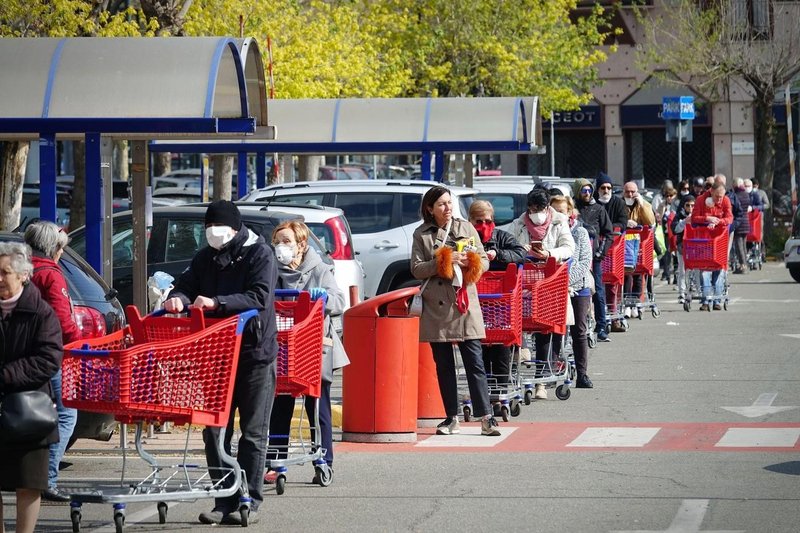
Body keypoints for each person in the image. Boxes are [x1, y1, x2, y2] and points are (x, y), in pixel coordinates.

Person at [164, 200, 278, 525]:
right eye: (208, 228)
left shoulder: (260, 254)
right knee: (214, 432)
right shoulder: (205, 258)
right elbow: (186, 287)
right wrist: (178, 299)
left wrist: (218, 302)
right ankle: (223, 500)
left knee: (253, 433)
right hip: (216, 354)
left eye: (218, 228)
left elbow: (259, 296)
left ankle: (249, 501)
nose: (212, 234)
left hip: (254, 353)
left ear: (235, 227)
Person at [410, 185, 501, 437]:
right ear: (430, 209)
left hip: (464, 303)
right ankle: (451, 416)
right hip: (437, 305)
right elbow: (416, 269)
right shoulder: (421, 234)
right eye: (441, 204)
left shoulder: (465, 227)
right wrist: (445, 261)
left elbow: (482, 259)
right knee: (444, 365)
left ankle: (486, 417)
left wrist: (470, 262)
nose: (447, 208)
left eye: (449, 203)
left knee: (475, 362)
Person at [265, 220, 349, 484]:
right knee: (280, 406)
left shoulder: (320, 270)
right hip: (282, 348)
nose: (281, 247)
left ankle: (324, 461)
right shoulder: (270, 271)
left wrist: (322, 297)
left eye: (287, 241)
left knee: (318, 406)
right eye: (277, 242)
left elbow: (338, 301)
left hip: (312, 348)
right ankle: (276, 462)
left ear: (302, 245)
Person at [0, 242, 63, 533]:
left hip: (29, 409)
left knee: (28, 484)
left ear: (24, 275)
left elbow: (49, 358)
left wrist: (6, 375)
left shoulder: (41, 313)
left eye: (5, 272)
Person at [24, 220, 82, 503]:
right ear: (54, 248)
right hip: (48, 354)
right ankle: (46, 478)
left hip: (19, 354)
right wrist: (80, 340)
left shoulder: (19, 271)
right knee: (66, 413)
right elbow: (62, 320)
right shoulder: (51, 274)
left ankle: (22, 473)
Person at [508, 187, 575, 399]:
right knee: (524, 325)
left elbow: (568, 248)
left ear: (547, 208)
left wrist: (549, 254)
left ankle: (542, 380)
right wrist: (522, 250)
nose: (535, 213)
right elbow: (508, 248)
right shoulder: (518, 224)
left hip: (550, 282)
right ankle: (513, 375)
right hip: (525, 283)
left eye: (540, 208)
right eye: (532, 209)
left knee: (545, 328)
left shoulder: (558, 221)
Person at [468, 200, 526, 399]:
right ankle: (483, 393)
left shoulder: (501, 237)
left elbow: (520, 254)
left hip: (501, 301)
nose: (483, 225)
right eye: (478, 221)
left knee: (501, 343)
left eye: (488, 220)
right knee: (479, 346)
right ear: (470, 220)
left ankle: (500, 391)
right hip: (475, 301)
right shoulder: (465, 238)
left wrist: (497, 254)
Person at [549, 195, 594, 388]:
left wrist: (566, 280)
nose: (560, 214)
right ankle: (550, 370)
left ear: (570, 212)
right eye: (555, 211)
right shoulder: (549, 231)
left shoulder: (580, 232)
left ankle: (582, 374)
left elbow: (584, 262)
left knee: (579, 330)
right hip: (554, 287)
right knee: (554, 329)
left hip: (579, 286)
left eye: (563, 210)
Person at [573, 178, 613, 342]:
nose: (587, 193)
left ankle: (601, 326)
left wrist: (601, 253)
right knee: (577, 292)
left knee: (597, 290)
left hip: (594, 257)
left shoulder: (598, 209)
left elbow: (608, 233)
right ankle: (578, 326)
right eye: (584, 191)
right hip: (575, 257)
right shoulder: (573, 208)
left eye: (589, 190)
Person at [690, 183, 733, 311]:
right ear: (711, 191)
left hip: (719, 239)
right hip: (704, 240)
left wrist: (719, 221)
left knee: (719, 268)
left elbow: (730, 218)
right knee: (704, 269)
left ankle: (717, 300)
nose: (719, 199)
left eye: (721, 197)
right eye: (717, 196)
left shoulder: (725, 200)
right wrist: (707, 218)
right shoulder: (700, 200)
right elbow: (694, 218)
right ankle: (706, 299)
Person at [595, 173, 628, 332]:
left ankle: (614, 317)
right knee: (596, 285)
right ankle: (598, 318)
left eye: (609, 187)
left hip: (613, 247)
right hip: (596, 248)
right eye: (603, 188)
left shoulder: (618, 203)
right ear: (598, 189)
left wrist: (608, 229)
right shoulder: (593, 202)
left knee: (613, 284)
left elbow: (622, 222)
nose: (606, 190)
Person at [621, 180, 656, 319]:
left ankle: (635, 304)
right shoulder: (620, 204)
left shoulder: (643, 204)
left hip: (640, 244)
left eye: (633, 192)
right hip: (624, 245)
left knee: (638, 275)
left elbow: (650, 221)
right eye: (627, 191)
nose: (630, 194)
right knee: (627, 274)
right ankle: (627, 304)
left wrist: (642, 204)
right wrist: (625, 223)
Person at [671, 195, 695, 304]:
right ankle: (682, 292)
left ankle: (695, 289)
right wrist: (684, 221)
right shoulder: (679, 216)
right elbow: (675, 229)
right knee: (682, 270)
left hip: (696, 246)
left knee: (696, 270)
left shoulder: (698, 215)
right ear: (683, 206)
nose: (690, 208)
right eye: (688, 205)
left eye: (693, 205)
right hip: (682, 246)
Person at [731, 177, 751, 274]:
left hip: (739, 222)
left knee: (739, 246)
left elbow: (734, 208)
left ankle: (743, 265)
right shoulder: (746, 194)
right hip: (746, 221)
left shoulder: (736, 195)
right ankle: (745, 264)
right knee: (743, 245)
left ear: (735, 185)